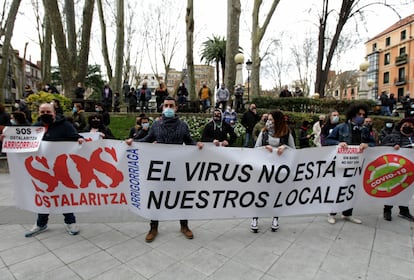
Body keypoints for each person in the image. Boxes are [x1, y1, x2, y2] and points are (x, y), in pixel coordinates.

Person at [126, 96, 204, 242]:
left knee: (181, 197)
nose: (168, 108)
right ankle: (153, 227)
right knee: (156, 197)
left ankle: (184, 226)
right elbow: (147, 140)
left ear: (176, 108)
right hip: (160, 169)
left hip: (178, 168)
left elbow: (189, 141)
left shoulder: (182, 125)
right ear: (162, 108)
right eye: (166, 105)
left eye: (171, 105)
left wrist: (197, 145)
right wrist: (133, 142)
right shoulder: (156, 125)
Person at [25, 103, 84, 237]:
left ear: (54, 113)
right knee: (44, 196)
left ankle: (70, 222)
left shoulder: (65, 126)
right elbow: (24, 142)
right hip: (42, 170)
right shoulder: (35, 128)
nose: (45, 114)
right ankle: (41, 223)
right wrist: (6, 140)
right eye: (42, 112)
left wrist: (80, 140)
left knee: (63, 195)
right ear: (39, 113)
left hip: (61, 169)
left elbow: (76, 137)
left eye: (48, 112)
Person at [324, 103, 376, 225]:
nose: (361, 117)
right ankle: (332, 213)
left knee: (352, 188)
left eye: (363, 115)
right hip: (342, 164)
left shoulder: (365, 130)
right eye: (359, 114)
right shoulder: (341, 127)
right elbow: (328, 140)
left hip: (357, 164)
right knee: (339, 187)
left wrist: (367, 144)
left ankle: (347, 213)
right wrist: (338, 143)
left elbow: (373, 143)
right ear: (352, 114)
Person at [251, 110, 296, 233]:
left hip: (279, 171)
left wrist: (284, 147)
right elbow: (256, 148)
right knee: (261, 193)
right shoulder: (264, 132)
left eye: (271, 119)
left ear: (278, 120)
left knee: (276, 194)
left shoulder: (286, 133)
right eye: (268, 119)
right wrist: (264, 148)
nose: (269, 122)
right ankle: (255, 217)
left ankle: (275, 218)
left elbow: (293, 149)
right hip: (264, 169)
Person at [381, 117, 414, 222]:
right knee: (393, 189)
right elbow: (383, 148)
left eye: (410, 125)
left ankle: (404, 210)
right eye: (405, 125)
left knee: (406, 190)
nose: (408, 127)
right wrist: (393, 147)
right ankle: (387, 210)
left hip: (410, 171)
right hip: (395, 170)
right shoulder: (393, 137)